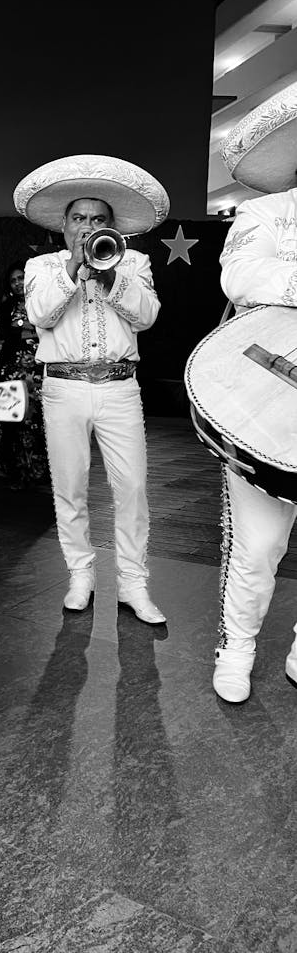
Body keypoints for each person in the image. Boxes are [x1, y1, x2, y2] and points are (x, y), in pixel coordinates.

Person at [14, 154, 169, 622]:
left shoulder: (135, 262)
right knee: (70, 488)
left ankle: (133, 585)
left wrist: (110, 277)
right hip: (63, 388)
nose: (87, 227)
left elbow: (147, 316)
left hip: (121, 388)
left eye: (97, 219)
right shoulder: (42, 266)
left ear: (113, 226)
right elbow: (39, 314)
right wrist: (72, 274)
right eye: (79, 218)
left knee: (133, 488)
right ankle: (80, 575)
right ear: (63, 227)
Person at [211, 81, 297, 703]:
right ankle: (236, 645)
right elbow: (242, 276)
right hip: (267, 390)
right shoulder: (267, 213)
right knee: (260, 542)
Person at [0, 259, 49, 489]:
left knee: (38, 422)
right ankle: (15, 473)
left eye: (21, 278)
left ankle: (40, 473)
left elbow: (50, 331)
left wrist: (19, 330)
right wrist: (25, 331)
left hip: (40, 373)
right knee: (14, 421)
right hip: (12, 373)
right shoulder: (5, 307)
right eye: (13, 280)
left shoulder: (45, 302)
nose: (17, 283)